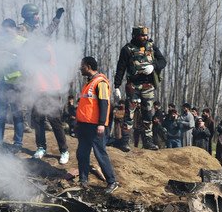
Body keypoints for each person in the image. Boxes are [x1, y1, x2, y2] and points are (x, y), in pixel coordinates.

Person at [113, 25, 167, 150]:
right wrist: (117, 86)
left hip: (148, 85)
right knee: (130, 114)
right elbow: (120, 68)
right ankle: (125, 141)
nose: (145, 37)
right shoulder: (127, 49)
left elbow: (163, 61)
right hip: (133, 85)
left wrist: (154, 66)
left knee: (148, 114)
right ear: (135, 36)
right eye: (142, 35)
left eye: (146, 35)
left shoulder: (151, 46)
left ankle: (147, 141)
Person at [76, 56, 118, 193]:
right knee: (82, 153)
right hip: (84, 125)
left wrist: (101, 124)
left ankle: (112, 181)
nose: (80, 68)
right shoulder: (89, 83)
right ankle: (83, 180)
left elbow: (104, 104)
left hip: (95, 126)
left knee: (100, 153)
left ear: (88, 66)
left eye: (82, 66)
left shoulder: (100, 83)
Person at [30, 42, 71, 163]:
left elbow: (44, 55)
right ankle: (41, 147)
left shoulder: (47, 49)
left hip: (52, 91)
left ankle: (64, 150)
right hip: (38, 91)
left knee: (55, 121)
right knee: (38, 120)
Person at [0, 19, 27, 151]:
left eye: (7, 31)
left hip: (16, 83)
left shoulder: (23, 42)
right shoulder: (1, 42)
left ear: (13, 28)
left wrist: (9, 55)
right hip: (1, 82)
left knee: (17, 115)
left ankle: (18, 144)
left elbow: (26, 64)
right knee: (0, 114)